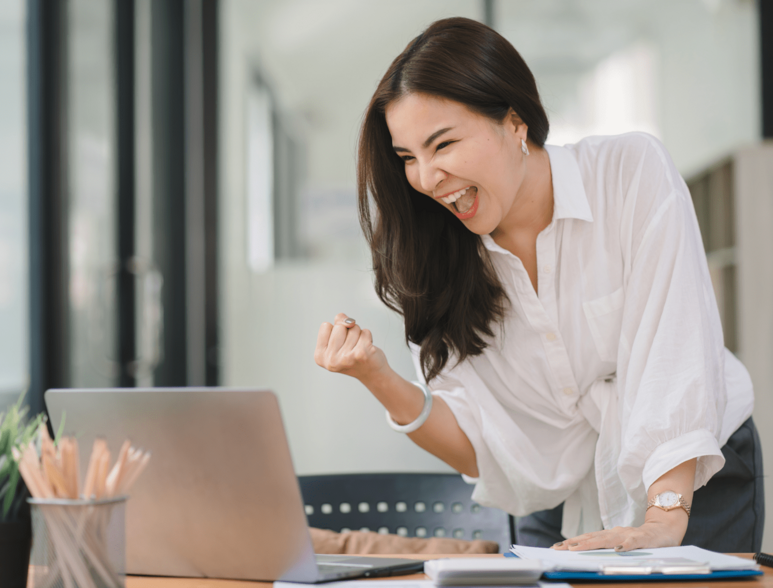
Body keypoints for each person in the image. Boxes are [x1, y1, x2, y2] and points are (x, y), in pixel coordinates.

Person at [313, 17, 763, 552]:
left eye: (443, 144)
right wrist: (376, 375)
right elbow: (477, 449)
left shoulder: (629, 174)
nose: (427, 178)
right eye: (408, 158)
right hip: (561, 497)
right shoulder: (434, 259)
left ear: (515, 121)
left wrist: (663, 519)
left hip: (689, 476)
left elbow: (675, 355)